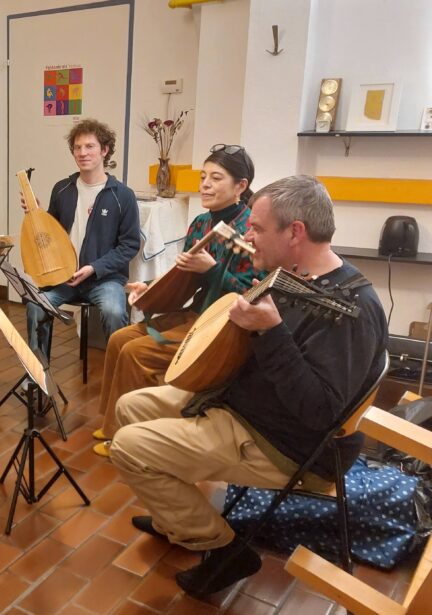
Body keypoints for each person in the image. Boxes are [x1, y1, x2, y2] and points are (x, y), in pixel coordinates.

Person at [109, 175, 388, 598]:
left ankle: (224, 550)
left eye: (257, 228)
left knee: (129, 447)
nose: (248, 236)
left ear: (295, 232)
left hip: (284, 443)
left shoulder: (351, 310)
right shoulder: (292, 276)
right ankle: (176, 517)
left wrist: (271, 332)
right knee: (131, 407)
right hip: (247, 407)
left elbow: (320, 411)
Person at [93, 144, 262, 457]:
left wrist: (213, 270)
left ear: (241, 186)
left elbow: (250, 296)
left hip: (220, 328)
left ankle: (128, 439)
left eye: (216, 178)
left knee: (136, 352)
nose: (205, 185)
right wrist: (150, 288)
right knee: (119, 339)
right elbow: (181, 277)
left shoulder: (252, 230)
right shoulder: (200, 223)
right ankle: (113, 421)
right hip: (195, 315)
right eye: (203, 177)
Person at [24, 118, 141, 360]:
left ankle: (119, 371)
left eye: (89, 146)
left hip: (104, 279)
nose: (82, 153)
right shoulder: (62, 189)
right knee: (36, 306)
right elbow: (51, 236)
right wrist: (37, 215)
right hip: (63, 278)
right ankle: (39, 373)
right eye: (77, 147)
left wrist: (94, 268)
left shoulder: (123, 196)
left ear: (104, 150)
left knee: (113, 311)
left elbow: (129, 245)